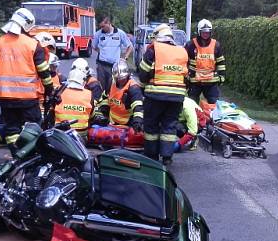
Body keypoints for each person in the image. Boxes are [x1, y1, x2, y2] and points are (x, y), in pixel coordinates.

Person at [0, 8, 55, 150]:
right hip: (27, 99)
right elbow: (44, 72)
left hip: (5, 98)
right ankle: (30, 156)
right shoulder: (32, 45)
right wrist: (50, 90)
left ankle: (16, 155)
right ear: (27, 25)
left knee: (12, 129)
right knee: (33, 128)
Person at [137, 23, 188, 165]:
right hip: (177, 97)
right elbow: (187, 76)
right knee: (169, 126)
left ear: (157, 36)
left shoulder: (154, 49)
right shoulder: (182, 51)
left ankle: (152, 157)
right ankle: (167, 157)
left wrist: (143, 87)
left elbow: (143, 73)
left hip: (155, 95)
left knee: (151, 125)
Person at [185, 19, 226, 105]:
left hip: (211, 81)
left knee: (214, 105)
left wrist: (221, 76)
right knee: (193, 105)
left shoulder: (216, 45)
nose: (206, 34)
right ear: (199, 32)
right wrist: (186, 76)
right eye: (203, 32)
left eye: (208, 32)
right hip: (195, 81)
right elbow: (184, 61)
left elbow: (221, 62)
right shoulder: (190, 45)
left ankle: (212, 118)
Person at [97, 59, 143, 132]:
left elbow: (138, 108)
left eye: (123, 78)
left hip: (127, 125)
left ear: (127, 75)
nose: (121, 81)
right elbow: (104, 98)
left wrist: (137, 122)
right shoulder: (111, 83)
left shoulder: (133, 88)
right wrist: (103, 111)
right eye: (118, 79)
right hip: (112, 123)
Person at [92, 16, 132, 94]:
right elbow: (94, 46)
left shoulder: (120, 33)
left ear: (109, 23)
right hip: (102, 66)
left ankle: (111, 105)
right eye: (101, 27)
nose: (102, 28)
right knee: (101, 88)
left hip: (114, 67)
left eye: (103, 26)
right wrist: (101, 52)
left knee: (112, 88)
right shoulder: (98, 34)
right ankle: (101, 105)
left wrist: (125, 58)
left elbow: (130, 46)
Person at [55, 68, 97, 137]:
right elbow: (92, 116)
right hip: (81, 134)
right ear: (83, 81)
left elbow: (51, 110)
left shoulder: (59, 91)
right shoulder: (89, 94)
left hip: (61, 132)